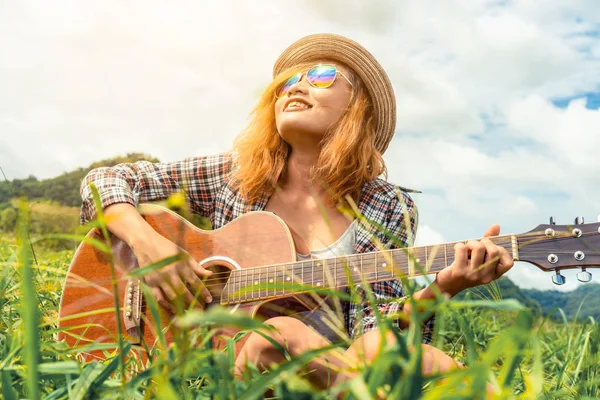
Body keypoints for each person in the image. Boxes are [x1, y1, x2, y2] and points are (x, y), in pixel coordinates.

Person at [79, 33, 513, 392]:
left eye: (322, 76)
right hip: (229, 351)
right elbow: (107, 180)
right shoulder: (234, 174)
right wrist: (148, 243)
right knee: (281, 332)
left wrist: (445, 286)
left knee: (409, 353)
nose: (296, 86)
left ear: (355, 108)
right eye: (288, 81)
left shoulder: (387, 205)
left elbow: (380, 323)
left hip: (333, 356)